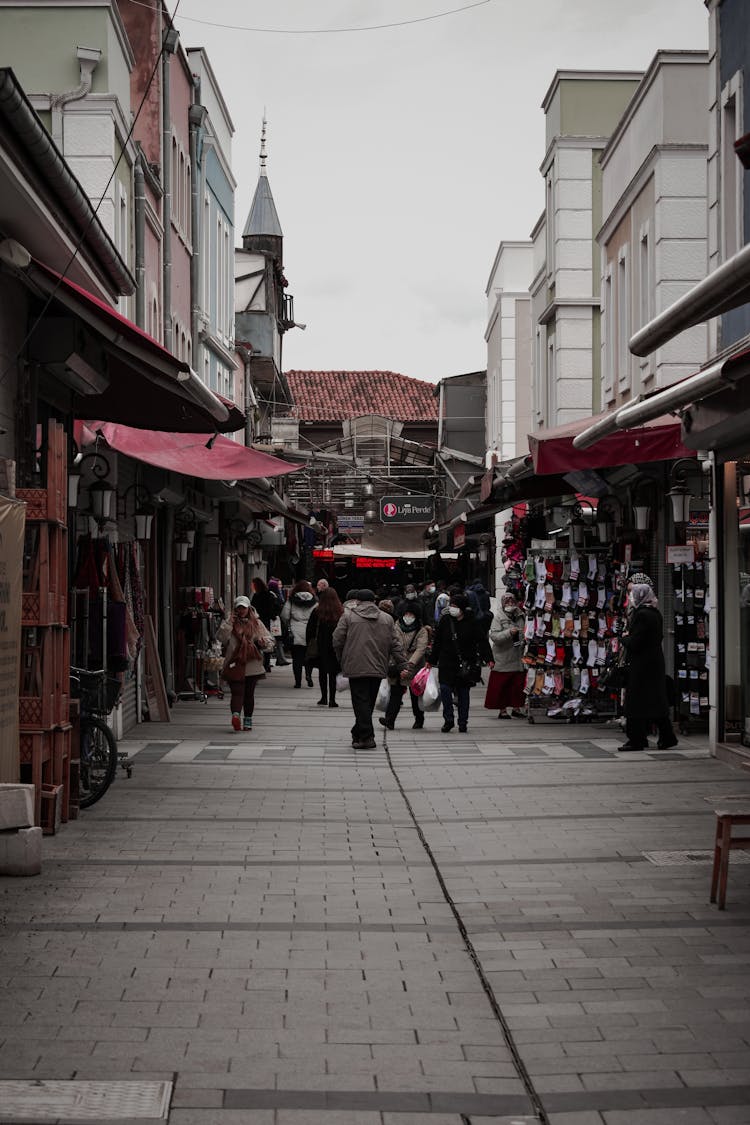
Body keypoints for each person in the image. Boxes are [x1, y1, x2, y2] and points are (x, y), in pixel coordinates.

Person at [333, 588, 406, 749]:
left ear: (357, 601)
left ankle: (367, 737)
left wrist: (342, 658)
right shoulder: (387, 619)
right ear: (374, 601)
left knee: (360, 702)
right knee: (368, 702)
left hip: (355, 665)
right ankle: (358, 733)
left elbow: (337, 639)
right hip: (378, 665)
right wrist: (402, 663)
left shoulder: (348, 616)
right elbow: (395, 643)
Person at [620, 583, 678, 751]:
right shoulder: (655, 613)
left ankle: (637, 739)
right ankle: (667, 737)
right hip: (654, 663)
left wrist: (625, 638)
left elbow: (636, 642)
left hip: (641, 666)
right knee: (655, 701)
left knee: (635, 703)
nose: (631, 598)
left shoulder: (641, 615)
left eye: (633, 594)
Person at [428, 593, 493, 733]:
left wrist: (488, 659)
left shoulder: (472, 621)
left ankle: (463, 722)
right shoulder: (445, 620)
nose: (452, 608)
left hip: (465, 663)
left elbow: (482, 641)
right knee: (445, 689)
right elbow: (437, 642)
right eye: (451, 605)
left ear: (463, 608)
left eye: (455, 606)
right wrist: (431, 660)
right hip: (446, 662)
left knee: (463, 693)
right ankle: (448, 720)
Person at [216, 596, 273, 731]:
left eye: (243, 607)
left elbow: (269, 641)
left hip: (251, 663)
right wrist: (229, 623)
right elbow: (220, 638)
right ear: (235, 609)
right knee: (237, 692)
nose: (241, 610)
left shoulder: (256, 623)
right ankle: (236, 716)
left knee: (248, 694)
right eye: (239, 608)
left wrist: (263, 642)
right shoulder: (230, 623)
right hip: (234, 663)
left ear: (249, 608)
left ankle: (247, 719)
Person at [379, 604, 430, 730]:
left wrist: (409, 665)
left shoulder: (421, 630)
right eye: (406, 614)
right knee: (395, 694)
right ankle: (389, 720)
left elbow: (421, 649)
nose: (408, 617)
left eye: (411, 615)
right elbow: (390, 644)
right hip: (397, 664)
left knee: (415, 695)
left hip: (414, 667)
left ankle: (419, 719)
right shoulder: (395, 626)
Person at [485, 592, 525, 719]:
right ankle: (502, 711)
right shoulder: (498, 617)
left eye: (512, 602)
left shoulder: (521, 615)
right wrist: (508, 632)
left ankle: (516, 708)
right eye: (507, 602)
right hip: (503, 658)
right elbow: (494, 636)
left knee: (517, 686)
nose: (510, 604)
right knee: (502, 687)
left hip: (518, 657)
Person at [306, 586, 344, 708]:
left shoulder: (317, 611)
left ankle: (323, 698)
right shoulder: (340, 612)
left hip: (321, 645)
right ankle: (332, 699)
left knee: (322, 672)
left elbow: (310, 630)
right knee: (333, 673)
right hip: (335, 646)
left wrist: (309, 643)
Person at [281, 580, 318, 688]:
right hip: (309, 632)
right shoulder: (314, 601)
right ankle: (308, 675)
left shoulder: (291, 600)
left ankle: (298, 682)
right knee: (309, 656)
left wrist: (289, 623)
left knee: (297, 658)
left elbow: (284, 615)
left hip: (295, 632)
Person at [250, 576, 279, 672]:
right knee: (266, 641)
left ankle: (261, 663)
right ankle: (267, 664)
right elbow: (271, 609)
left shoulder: (256, 596)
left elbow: (252, 608)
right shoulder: (268, 594)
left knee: (258, 641)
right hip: (266, 621)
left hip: (258, 621)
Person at [267, 578, 290, 666]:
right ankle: (280, 659)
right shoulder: (273, 596)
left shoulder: (274, 595)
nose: (280, 587)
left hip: (275, 621)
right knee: (276, 640)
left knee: (276, 640)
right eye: (278, 585)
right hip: (274, 621)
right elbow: (273, 608)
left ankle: (279, 659)